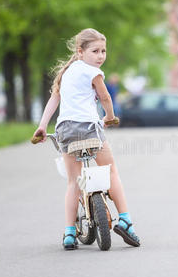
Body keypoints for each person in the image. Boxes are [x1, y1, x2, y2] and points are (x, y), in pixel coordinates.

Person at [32, 28, 140, 250]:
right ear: (80, 52)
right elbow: (105, 97)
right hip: (90, 129)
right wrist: (110, 117)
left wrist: (42, 126)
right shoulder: (94, 73)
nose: (100, 56)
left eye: (103, 51)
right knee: (111, 172)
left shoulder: (66, 72)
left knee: (74, 182)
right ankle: (126, 221)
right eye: (95, 51)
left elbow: (54, 100)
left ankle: (70, 233)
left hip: (65, 130)